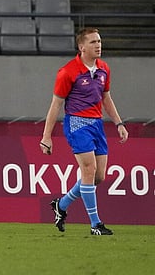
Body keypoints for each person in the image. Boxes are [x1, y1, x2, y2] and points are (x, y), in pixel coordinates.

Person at [40, 27, 128, 235]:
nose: (98, 45)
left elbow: (106, 97)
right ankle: (96, 224)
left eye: (99, 41)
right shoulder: (67, 72)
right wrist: (46, 136)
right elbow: (55, 105)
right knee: (88, 171)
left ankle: (61, 205)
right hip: (77, 124)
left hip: (97, 124)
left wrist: (119, 123)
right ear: (81, 47)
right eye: (93, 42)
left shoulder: (104, 68)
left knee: (98, 177)